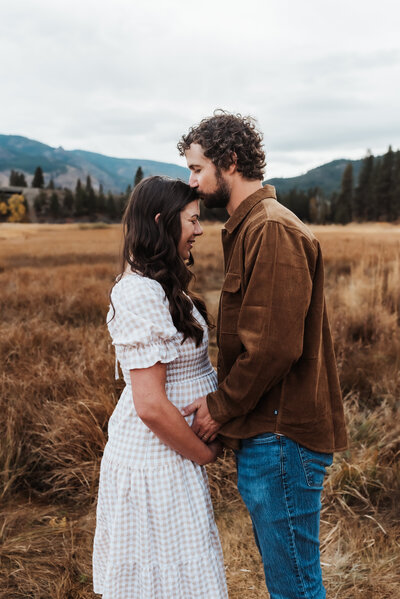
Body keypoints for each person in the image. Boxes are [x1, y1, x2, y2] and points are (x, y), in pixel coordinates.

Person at [178, 111, 348, 599]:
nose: (192, 181)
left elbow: (272, 347)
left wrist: (218, 408)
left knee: (294, 587)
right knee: (290, 582)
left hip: (281, 438)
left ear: (228, 162)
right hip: (272, 438)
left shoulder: (270, 229)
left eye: (197, 169)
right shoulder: (251, 226)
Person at [92, 176, 228, 599]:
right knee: (169, 583)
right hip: (156, 460)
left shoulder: (161, 286)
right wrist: (204, 452)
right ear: (161, 222)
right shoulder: (137, 293)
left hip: (171, 455)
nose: (201, 229)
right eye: (192, 220)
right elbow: (149, 405)